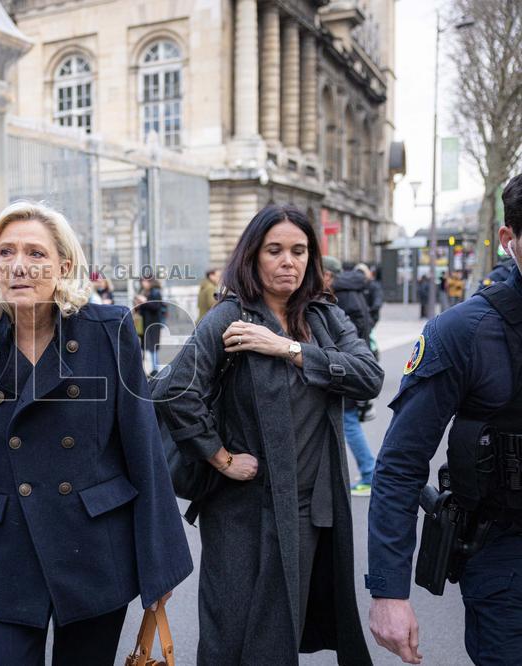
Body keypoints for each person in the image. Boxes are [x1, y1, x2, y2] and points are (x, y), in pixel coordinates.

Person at [0, 201, 191, 665]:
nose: (18, 265)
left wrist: (160, 563)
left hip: (95, 548)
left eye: (35, 253)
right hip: (4, 552)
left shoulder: (109, 331)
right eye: (6, 251)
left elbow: (144, 448)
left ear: (64, 266)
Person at [153, 205, 381, 665]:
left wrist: (289, 349)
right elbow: (177, 389)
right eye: (274, 250)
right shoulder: (229, 317)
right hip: (243, 511)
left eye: (299, 251)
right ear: (253, 256)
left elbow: (368, 376)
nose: (288, 262)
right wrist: (220, 457)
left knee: (278, 635)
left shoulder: (324, 318)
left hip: (308, 509)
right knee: (230, 634)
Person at [367, 174, 522, 665]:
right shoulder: (465, 332)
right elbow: (400, 463)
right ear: (508, 239)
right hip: (508, 563)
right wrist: (389, 593)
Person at [323, 256, 377, 495]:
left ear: (327, 275)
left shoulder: (340, 296)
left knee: (349, 422)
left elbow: (354, 333)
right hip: (353, 364)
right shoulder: (350, 290)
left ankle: (368, 472)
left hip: (348, 366)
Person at [134, 277, 165, 374]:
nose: (143, 283)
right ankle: (145, 370)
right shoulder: (143, 291)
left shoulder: (155, 292)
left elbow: (156, 306)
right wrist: (138, 303)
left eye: (144, 281)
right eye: (142, 281)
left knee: (153, 348)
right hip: (144, 324)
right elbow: (139, 309)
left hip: (153, 324)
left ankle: (155, 370)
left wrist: (144, 301)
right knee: (144, 347)